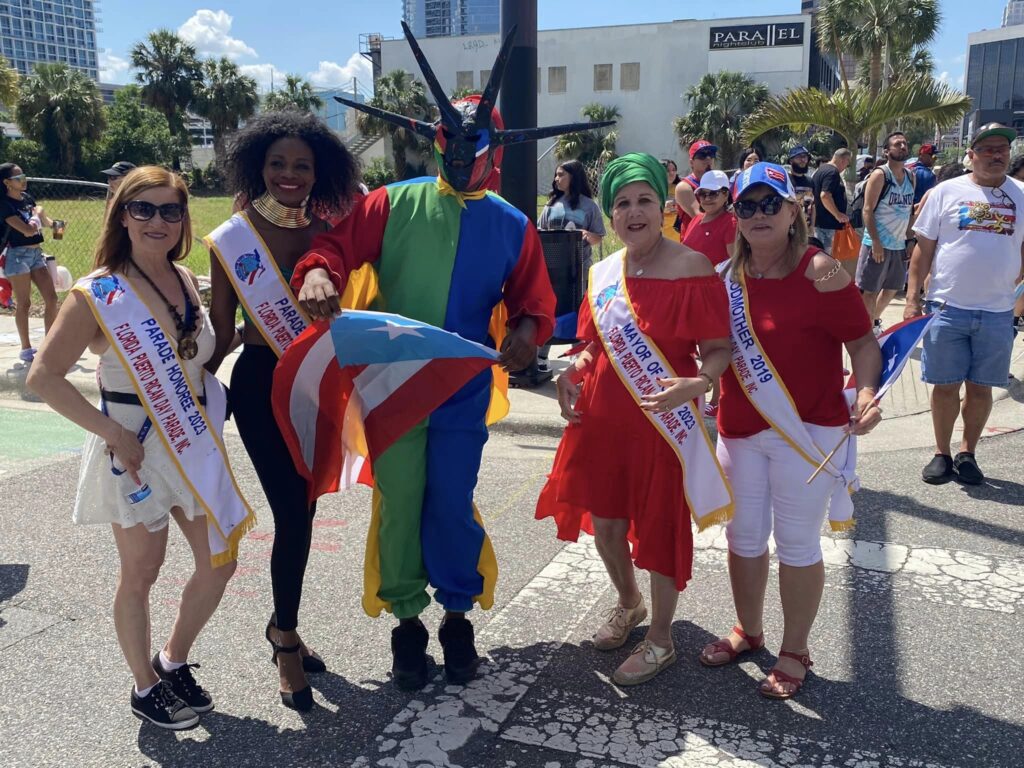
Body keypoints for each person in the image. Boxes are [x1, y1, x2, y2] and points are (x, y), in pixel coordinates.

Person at [295, 22, 580, 692]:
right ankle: (405, 626)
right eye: (450, 139)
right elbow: (333, 248)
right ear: (437, 140)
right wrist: (316, 271)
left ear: (496, 147)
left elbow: (535, 305)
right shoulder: (391, 203)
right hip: (392, 386)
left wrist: (529, 336)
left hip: (461, 387)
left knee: (450, 499)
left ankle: (456, 617)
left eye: (473, 142)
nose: (460, 153)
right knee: (399, 501)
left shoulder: (512, 225)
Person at [26, 166, 250, 729]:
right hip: (134, 448)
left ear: (182, 221)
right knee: (142, 573)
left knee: (220, 560)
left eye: (169, 211)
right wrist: (113, 435)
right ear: (122, 215)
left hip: (193, 441)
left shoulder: (183, 279)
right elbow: (45, 378)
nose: (156, 221)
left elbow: (191, 355)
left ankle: (171, 661)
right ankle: (144, 686)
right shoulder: (99, 292)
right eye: (143, 209)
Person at [536, 152, 733, 686]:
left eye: (644, 199)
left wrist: (701, 382)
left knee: (661, 531)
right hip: (601, 420)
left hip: (663, 424)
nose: (633, 211)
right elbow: (590, 346)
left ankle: (662, 639)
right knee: (606, 527)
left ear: (664, 207)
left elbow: (718, 348)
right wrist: (572, 370)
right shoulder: (603, 273)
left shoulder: (692, 267)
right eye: (622, 203)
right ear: (611, 213)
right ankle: (629, 602)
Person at [699, 162, 882, 699]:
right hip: (739, 428)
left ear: (792, 210)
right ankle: (749, 630)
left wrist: (867, 392)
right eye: (747, 206)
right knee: (744, 536)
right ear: (735, 215)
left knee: (798, 543)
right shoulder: (724, 278)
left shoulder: (821, 269)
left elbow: (864, 344)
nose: (759, 215)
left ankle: (795, 648)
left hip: (811, 432)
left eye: (769, 203)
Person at [205, 110, 357, 711]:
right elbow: (220, 331)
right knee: (292, 513)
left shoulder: (331, 236)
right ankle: (286, 639)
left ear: (319, 173)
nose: (289, 174)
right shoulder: (233, 239)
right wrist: (187, 387)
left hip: (316, 386)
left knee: (307, 511)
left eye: (302, 165)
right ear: (257, 167)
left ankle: (280, 622)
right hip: (261, 384)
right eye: (277, 163)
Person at [905, 123, 1024, 486]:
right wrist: (912, 301)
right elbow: (923, 251)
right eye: (986, 148)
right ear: (970, 155)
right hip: (947, 308)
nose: (996, 154)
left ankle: (967, 452)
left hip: (997, 311)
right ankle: (941, 452)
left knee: (980, 388)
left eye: (1002, 148)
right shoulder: (945, 192)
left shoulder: (1021, 194)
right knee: (944, 386)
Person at [537, 159, 605, 369]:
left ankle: (577, 355)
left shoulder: (588, 205)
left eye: (561, 175)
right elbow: (540, 231)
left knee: (579, 310)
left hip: (579, 268)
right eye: (556, 175)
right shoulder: (551, 205)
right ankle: (542, 355)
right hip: (552, 269)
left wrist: (586, 235)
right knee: (550, 309)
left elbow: (599, 236)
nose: (557, 179)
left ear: (573, 177)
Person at [856, 131, 916, 332]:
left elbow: (910, 211)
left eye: (905, 143)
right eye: (897, 144)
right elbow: (867, 209)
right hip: (878, 243)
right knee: (870, 290)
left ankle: (873, 320)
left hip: (899, 244)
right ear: (887, 150)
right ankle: (866, 329)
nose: (902, 147)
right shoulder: (880, 175)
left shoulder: (910, 177)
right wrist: (875, 241)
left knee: (892, 288)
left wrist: (910, 239)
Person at [1, 163, 59, 363]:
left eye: (24, 175)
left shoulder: (26, 199)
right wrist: (37, 214)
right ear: (7, 182)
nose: (23, 179)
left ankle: (50, 344)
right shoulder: (4, 204)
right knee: (24, 303)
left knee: (51, 299)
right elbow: (27, 229)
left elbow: (42, 220)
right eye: (18, 177)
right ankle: (26, 349)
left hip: (36, 254)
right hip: (17, 256)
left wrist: (54, 224)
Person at [682, 169, 736, 268]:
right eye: (703, 194)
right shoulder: (696, 219)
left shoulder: (731, 223)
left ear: (725, 195)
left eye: (713, 193)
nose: (707, 198)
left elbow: (735, 264)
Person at [812, 148, 853, 261]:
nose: (846, 166)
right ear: (843, 160)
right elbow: (825, 195)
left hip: (822, 223)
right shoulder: (832, 172)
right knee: (826, 259)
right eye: (847, 163)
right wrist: (837, 214)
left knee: (821, 256)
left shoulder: (821, 170)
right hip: (828, 225)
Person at [675, 140, 717, 235]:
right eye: (702, 155)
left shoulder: (717, 182)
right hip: (694, 243)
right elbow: (698, 216)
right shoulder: (684, 186)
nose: (708, 158)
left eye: (711, 154)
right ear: (691, 162)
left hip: (718, 239)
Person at [786, 145, 815, 230]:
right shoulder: (785, 180)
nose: (803, 160)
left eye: (805, 157)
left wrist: (812, 226)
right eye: (799, 157)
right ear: (791, 160)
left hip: (806, 227)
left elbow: (813, 206)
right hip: (788, 227)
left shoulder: (810, 181)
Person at [907, 144, 938, 209]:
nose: (935, 159)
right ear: (923, 156)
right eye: (934, 156)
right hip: (921, 211)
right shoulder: (929, 175)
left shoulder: (908, 170)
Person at [661, 159, 683, 239]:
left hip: (677, 230)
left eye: (674, 170)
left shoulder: (681, 186)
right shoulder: (653, 188)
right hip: (659, 231)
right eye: (668, 170)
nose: (672, 173)